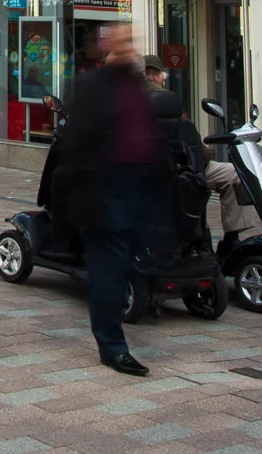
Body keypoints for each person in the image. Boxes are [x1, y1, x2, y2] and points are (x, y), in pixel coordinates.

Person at [53, 22, 164, 376]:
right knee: (108, 272)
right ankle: (112, 345)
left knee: (131, 265)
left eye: (132, 42)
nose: (129, 49)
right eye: (123, 43)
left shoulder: (137, 89)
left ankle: (118, 327)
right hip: (104, 195)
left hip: (138, 191)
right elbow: (77, 145)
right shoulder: (90, 87)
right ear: (108, 51)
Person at [141, 56, 248, 251]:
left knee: (235, 173)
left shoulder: (173, 104)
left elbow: (190, 137)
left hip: (195, 167)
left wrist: (204, 154)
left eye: (154, 74)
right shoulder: (137, 104)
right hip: (167, 172)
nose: (150, 78)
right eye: (146, 74)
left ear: (162, 77)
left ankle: (232, 238)